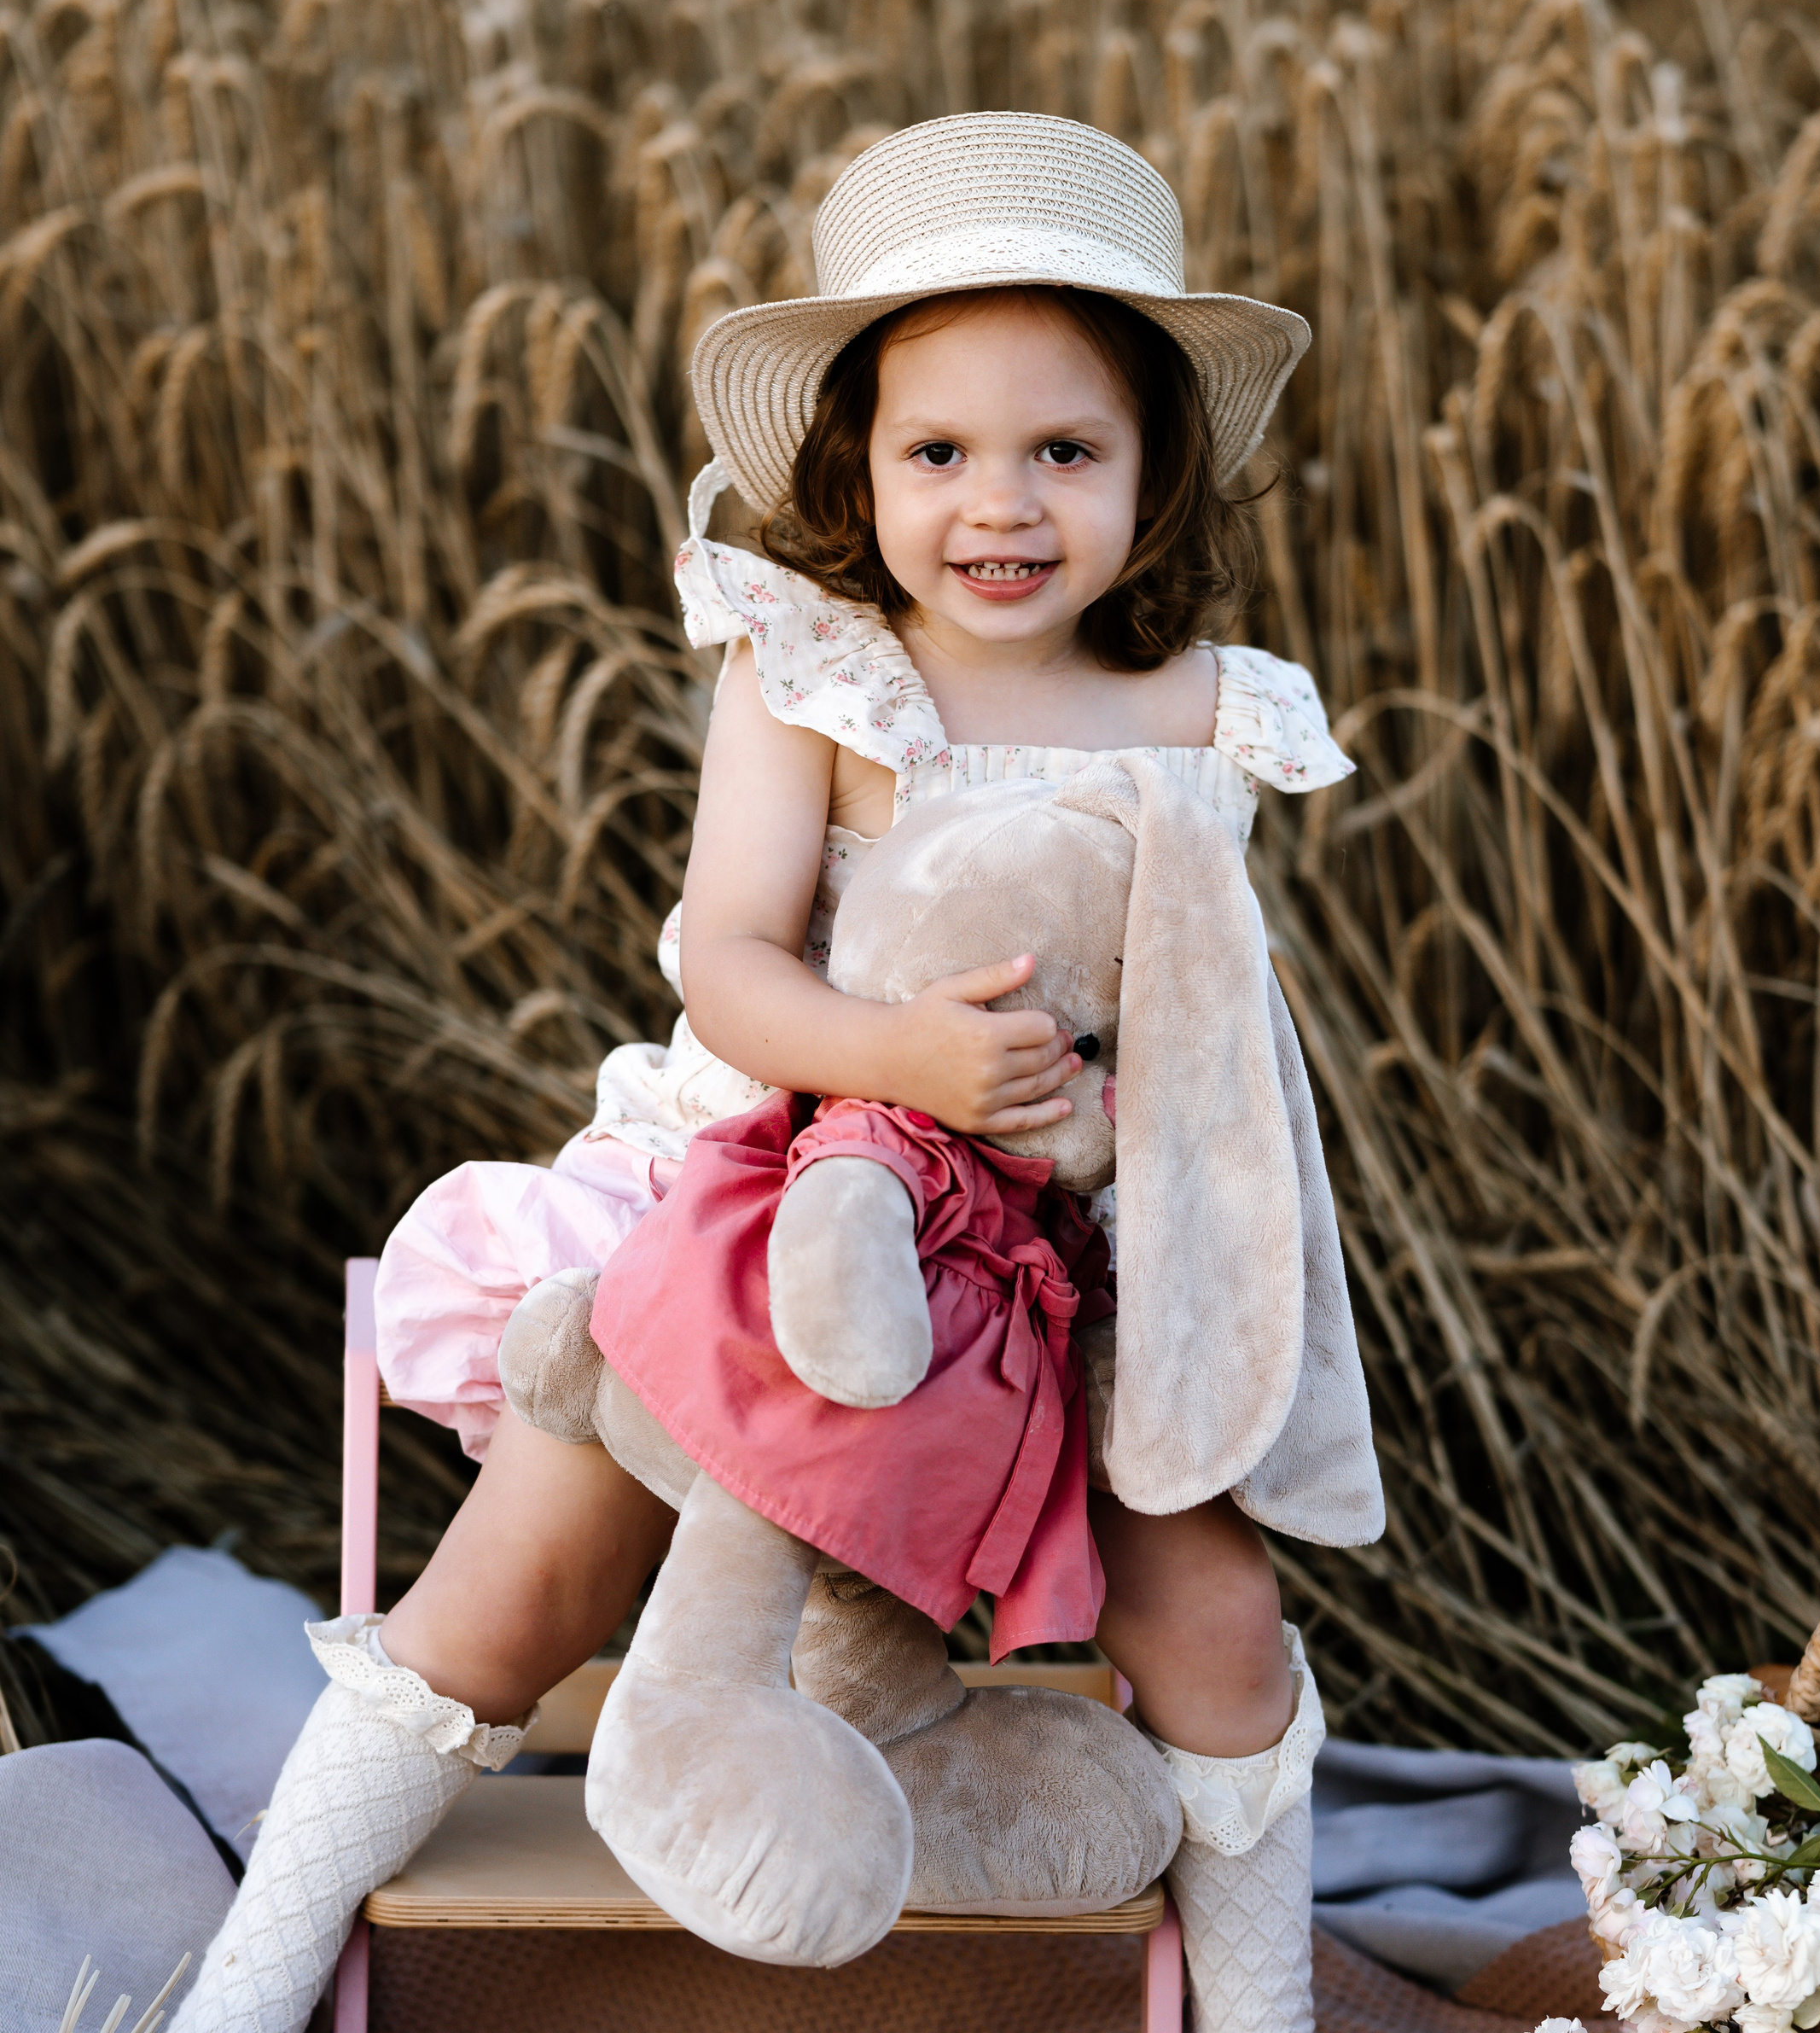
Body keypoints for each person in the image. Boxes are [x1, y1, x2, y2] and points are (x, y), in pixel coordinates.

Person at [175, 111, 1381, 2033]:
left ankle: (1257, 2002)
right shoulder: (810, 670)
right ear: (857, 468)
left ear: (1152, 475)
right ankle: (246, 1979)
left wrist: (1108, 1157)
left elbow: (1206, 1024)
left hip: (1085, 1235)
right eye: (938, 454)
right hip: (801, 1181)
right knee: (534, 1560)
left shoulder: (1197, 714)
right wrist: (902, 1052)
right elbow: (731, 960)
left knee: (1218, 1616)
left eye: (1063, 450)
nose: (1001, 505)